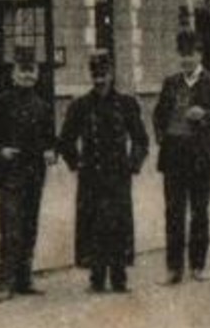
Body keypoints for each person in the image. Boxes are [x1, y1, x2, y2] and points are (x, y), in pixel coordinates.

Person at [58, 51, 148, 294]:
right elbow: (65, 140)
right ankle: (96, 277)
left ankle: (119, 277)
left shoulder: (127, 104)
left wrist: (133, 164)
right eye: (96, 75)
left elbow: (141, 139)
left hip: (118, 174)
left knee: (118, 224)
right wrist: (76, 163)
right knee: (94, 224)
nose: (100, 81)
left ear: (113, 74)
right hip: (92, 175)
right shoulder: (80, 106)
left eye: (105, 75)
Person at [152, 30, 210, 285]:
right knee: (173, 213)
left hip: (200, 157)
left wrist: (205, 115)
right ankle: (174, 269)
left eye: (191, 55)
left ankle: (198, 265)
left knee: (199, 212)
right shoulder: (170, 83)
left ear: (200, 55)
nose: (186, 60)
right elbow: (158, 114)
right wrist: (161, 135)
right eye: (183, 55)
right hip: (173, 156)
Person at [0, 45, 55, 301]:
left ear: (37, 74)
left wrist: (50, 151)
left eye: (31, 70)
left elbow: (50, 138)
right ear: (13, 73)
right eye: (22, 71)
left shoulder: (43, 106)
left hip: (34, 174)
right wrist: (0, 151)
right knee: (10, 227)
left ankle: (24, 279)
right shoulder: (0, 102)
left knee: (29, 226)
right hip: (10, 175)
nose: (27, 76)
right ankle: (5, 282)